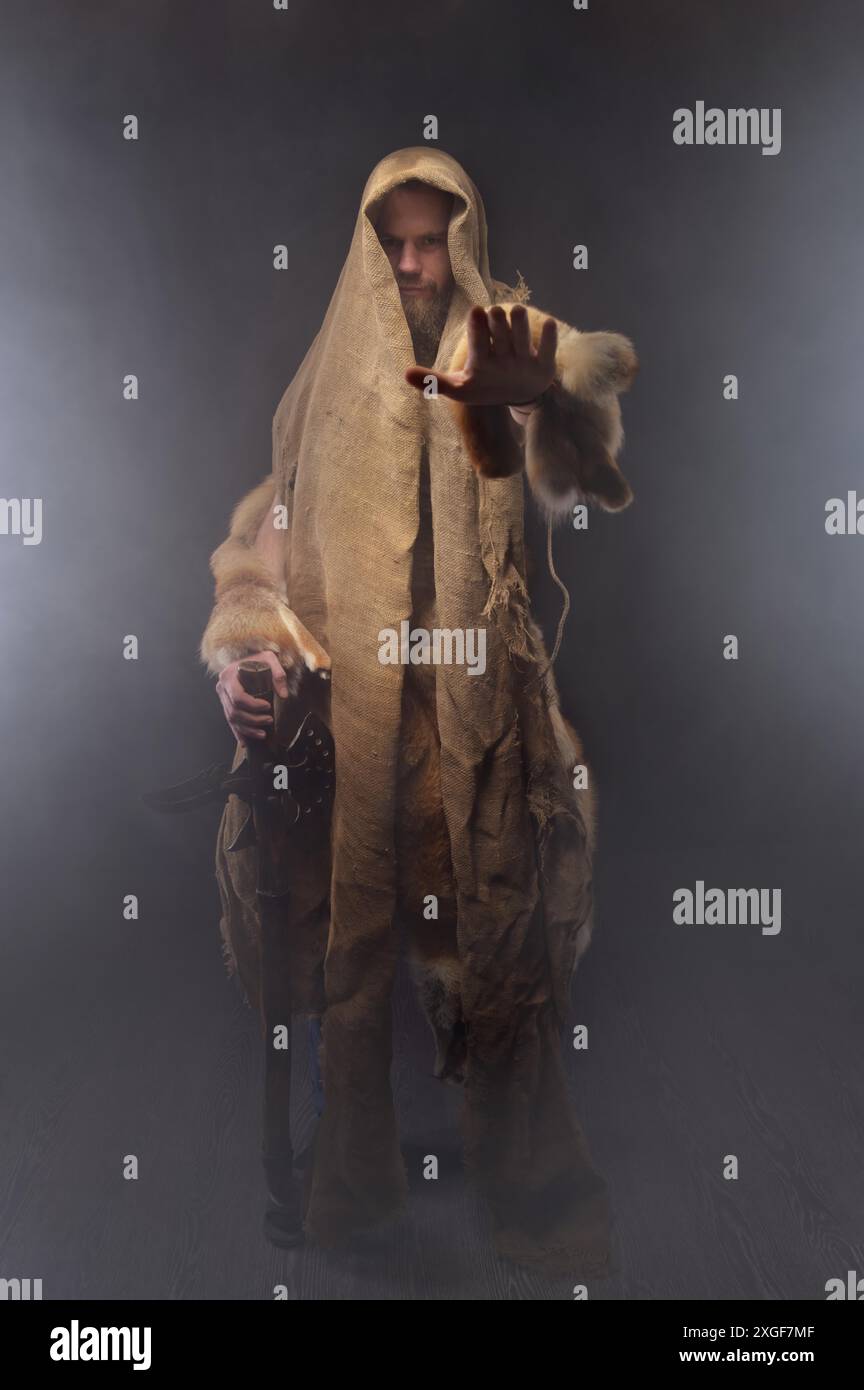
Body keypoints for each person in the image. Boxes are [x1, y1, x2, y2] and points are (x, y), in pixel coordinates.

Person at [199, 147, 637, 1275]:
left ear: (461, 234)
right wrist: (247, 654)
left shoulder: (501, 339)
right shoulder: (329, 382)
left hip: (476, 726)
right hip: (354, 731)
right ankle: (339, 1171)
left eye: (430, 239)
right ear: (367, 244)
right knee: (337, 958)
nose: (411, 262)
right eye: (392, 242)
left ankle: (531, 1192)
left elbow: (572, 420)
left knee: (502, 947)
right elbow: (264, 542)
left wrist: (549, 391)